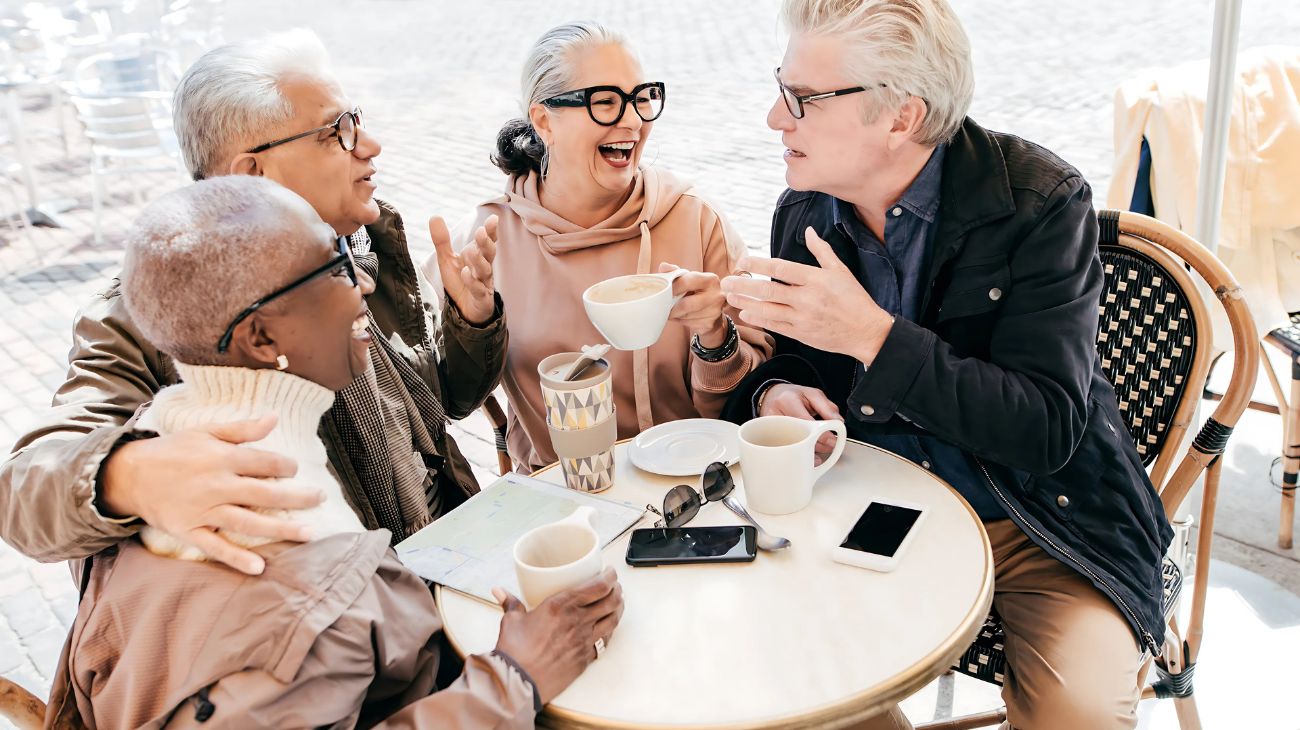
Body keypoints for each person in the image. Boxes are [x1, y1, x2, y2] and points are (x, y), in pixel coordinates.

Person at [719, 1, 1172, 728]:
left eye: (802, 99)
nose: (776, 117)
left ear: (901, 117)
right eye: (782, 87)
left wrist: (873, 336)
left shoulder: (1040, 204)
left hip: (1038, 524)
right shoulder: (804, 211)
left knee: (1079, 715)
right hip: (868, 512)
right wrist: (776, 391)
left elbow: (1046, 429)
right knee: (795, 688)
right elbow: (788, 371)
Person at [46, 177, 623, 728]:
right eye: (335, 267)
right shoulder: (288, 555)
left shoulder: (160, 446)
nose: (364, 286)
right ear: (262, 338)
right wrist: (516, 678)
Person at [0, 30, 507, 576]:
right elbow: (24, 491)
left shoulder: (361, 240)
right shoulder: (156, 311)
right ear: (252, 174)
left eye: (356, 119)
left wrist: (471, 320)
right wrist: (129, 475)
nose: (370, 145)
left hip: (447, 562)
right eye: (338, 131)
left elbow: (444, 402)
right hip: (342, 621)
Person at [438, 21, 773, 471]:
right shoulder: (485, 242)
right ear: (544, 121)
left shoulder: (695, 220)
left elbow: (752, 398)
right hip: (559, 500)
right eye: (605, 102)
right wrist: (474, 324)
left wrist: (715, 335)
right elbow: (453, 399)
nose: (633, 121)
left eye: (641, 98)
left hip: (697, 485)